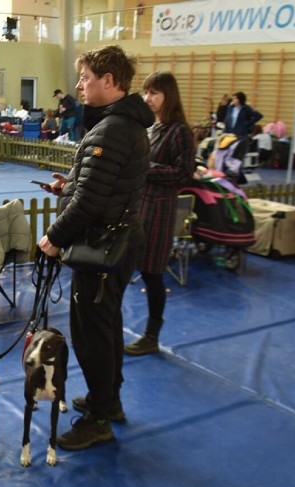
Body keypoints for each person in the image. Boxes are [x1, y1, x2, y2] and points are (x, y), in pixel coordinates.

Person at [38, 45, 153, 450]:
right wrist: (67, 187)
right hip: (113, 243)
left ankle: (100, 417)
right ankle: (109, 401)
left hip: (104, 247)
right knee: (103, 330)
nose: (79, 85)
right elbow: (97, 188)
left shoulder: (115, 129)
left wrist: (54, 237)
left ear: (109, 80)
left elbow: (91, 201)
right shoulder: (118, 124)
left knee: (92, 336)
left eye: (86, 78)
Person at [125, 71, 196, 356]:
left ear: (169, 95)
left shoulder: (180, 131)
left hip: (160, 212)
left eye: (154, 93)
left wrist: (146, 169)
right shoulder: (154, 128)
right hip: (140, 208)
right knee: (127, 268)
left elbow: (184, 172)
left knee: (153, 275)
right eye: (146, 92)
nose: (148, 98)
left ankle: (151, 335)